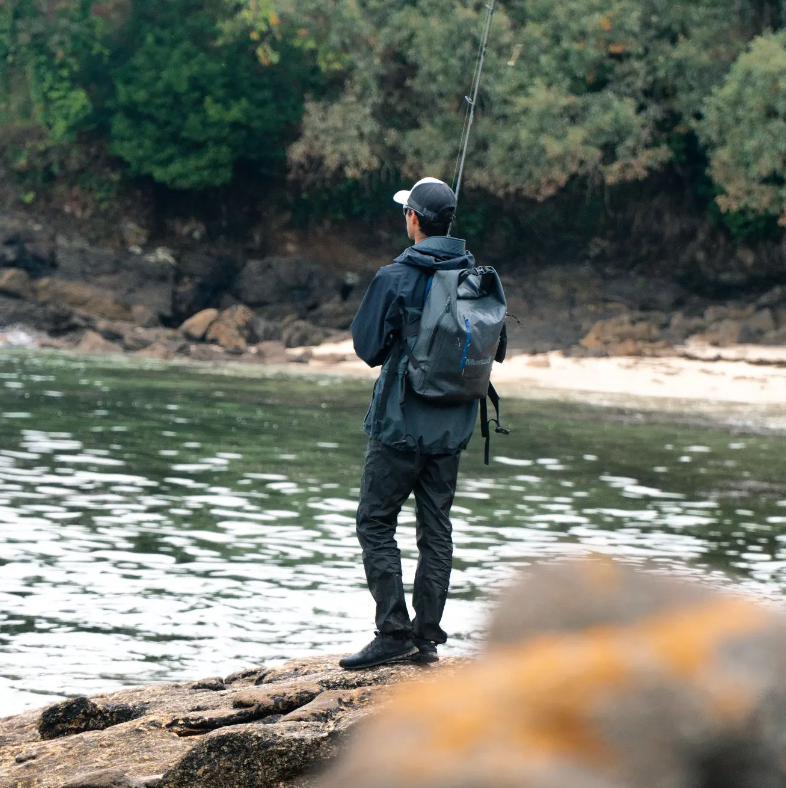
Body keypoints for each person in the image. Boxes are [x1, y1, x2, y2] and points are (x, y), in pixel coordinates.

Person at [340, 177, 486, 670]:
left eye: (407, 211)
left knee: (375, 522)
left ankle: (393, 631)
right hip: (454, 426)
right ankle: (426, 639)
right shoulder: (476, 278)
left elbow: (367, 349)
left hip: (400, 425)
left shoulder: (393, 277)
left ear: (415, 220)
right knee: (436, 529)